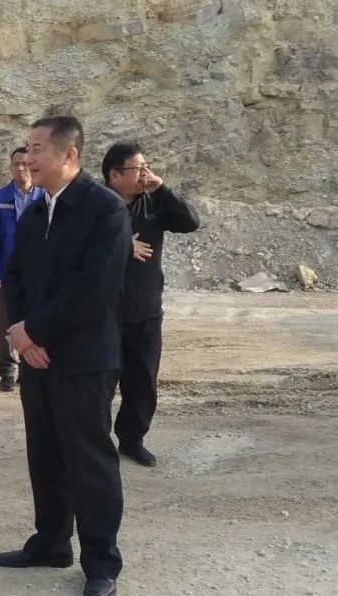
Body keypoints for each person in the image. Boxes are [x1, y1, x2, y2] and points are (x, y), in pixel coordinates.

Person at [0, 116, 132, 596]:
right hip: (38, 358)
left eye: (37, 149)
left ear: (68, 155)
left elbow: (93, 291)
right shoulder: (35, 212)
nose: (27, 158)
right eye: (27, 149)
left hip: (84, 360)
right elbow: (14, 277)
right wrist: (21, 333)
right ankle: (52, 543)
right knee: (46, 454)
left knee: (90, 462)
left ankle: (101, 562)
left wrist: (33, 331)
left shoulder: (104, 210)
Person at [102, 141, 200, 467]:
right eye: (138, 168)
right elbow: (75, 245)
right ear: (114, 175)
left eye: (146, 166)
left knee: (143, 384)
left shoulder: (153, 202)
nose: (145, 173)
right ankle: (96, 442)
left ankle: (132, 440)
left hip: (145, 311)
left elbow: (190, 222)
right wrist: (121, 245)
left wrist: (161, 188)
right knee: (100, 384)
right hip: (104, 314)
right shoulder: (95, 204)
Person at [0, 146, 44, 392]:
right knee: (7, 322)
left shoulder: (43, 196)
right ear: (10, 168)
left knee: (36, 319)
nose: (21, 168)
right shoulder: (0, 198)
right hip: (8, 273)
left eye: (25, 163)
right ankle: (8, 368)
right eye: (16, 164)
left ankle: (31, 366)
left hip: (38, 272)